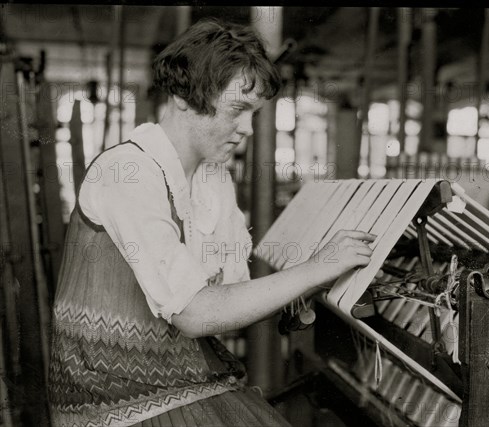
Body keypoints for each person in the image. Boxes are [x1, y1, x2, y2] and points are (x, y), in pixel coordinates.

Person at [48, 19, 375, 427]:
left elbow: (228, 293)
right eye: (238, 110)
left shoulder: (212, 177)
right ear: (184, 96)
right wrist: (314, 269)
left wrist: (306, 285)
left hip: (180, 381)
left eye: (253, 114)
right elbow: (195, 313)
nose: (247, 130)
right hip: (114, 401)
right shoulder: (126, 171)